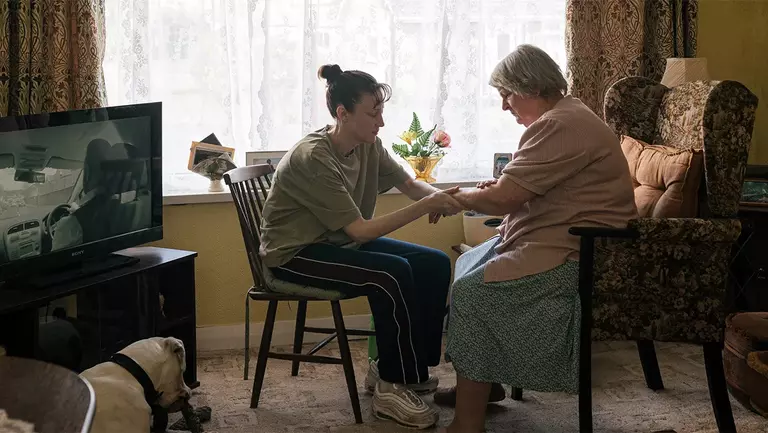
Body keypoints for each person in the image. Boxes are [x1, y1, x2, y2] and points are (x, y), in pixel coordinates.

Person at [434, 44, 638, 433]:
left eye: (506, 95)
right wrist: (500, 187)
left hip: (578, 255)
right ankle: (483, 381)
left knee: (475, 292)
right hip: (555, 238)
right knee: (466, 264)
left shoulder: (559, 124)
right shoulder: (564, 116)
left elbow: (504, 199)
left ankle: (468, 421)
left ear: (528, 86)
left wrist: (454, 199)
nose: (505, 106)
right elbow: (532, 187)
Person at [258, 64, 463, 430]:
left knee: (433, 263)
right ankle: (390, 386)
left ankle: (407, 371)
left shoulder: (369, 146)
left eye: (381, 111)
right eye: (373, 113)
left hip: (336, 244)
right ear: (342, 113)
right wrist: (426, 207)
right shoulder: (314, 158)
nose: (381, 122)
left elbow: (414, 187)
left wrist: (450, 201)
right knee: (391, 273)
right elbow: (360, 231)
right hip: (293, 256)